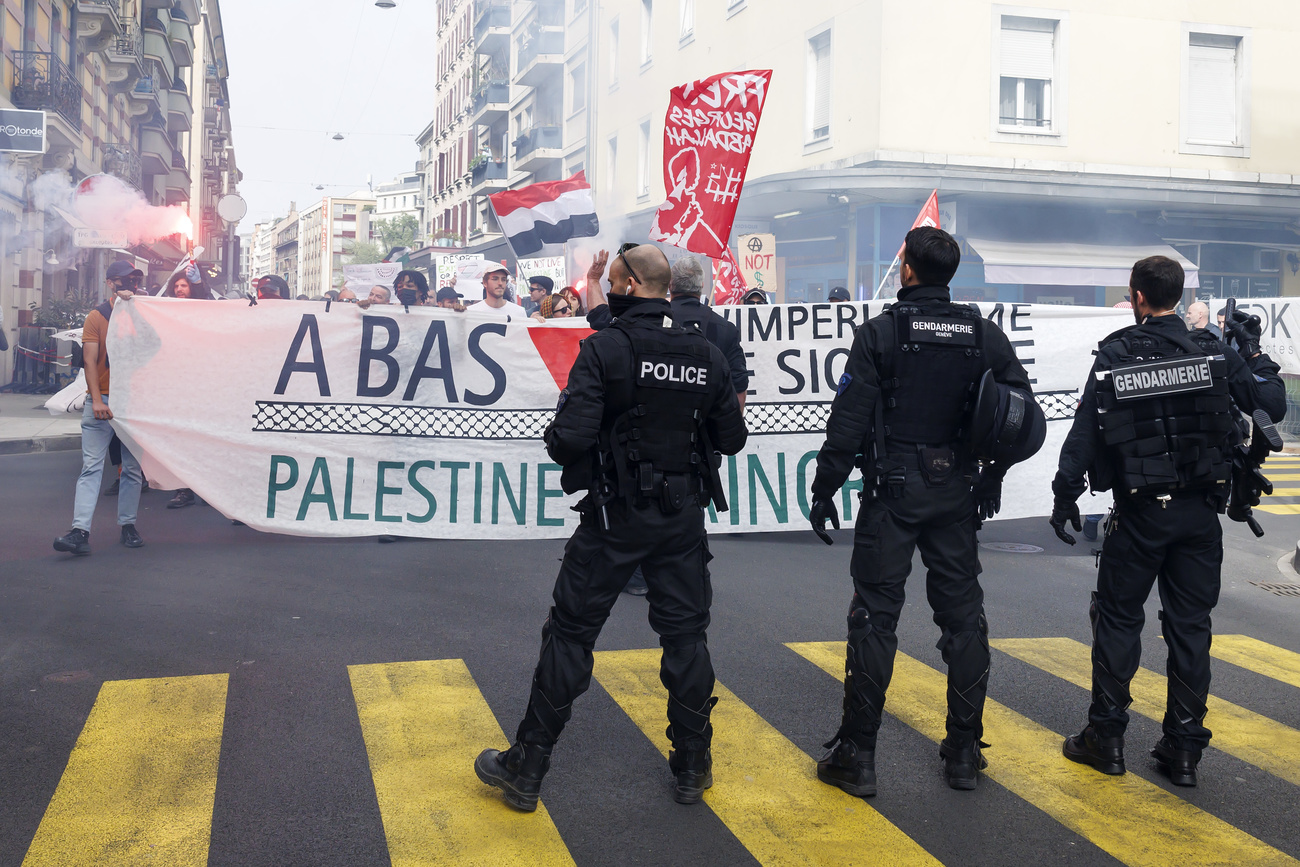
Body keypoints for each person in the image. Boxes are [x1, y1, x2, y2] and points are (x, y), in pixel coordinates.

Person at [475, 244, 748, 811]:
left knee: (571, 634)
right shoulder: (706, 353)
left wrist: (572, 442)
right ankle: (693, 765)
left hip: (613, 518)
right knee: (685, 638)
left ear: (624, 284)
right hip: (681, 519)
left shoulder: (605, 347)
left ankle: (528, 767)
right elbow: (732, 439)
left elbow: (569, 437)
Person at [808, 227, 1035, 795]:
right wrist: (992, 476)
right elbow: (1019, 416)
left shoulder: (881, 334)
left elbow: (849, 421)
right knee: (964, 620)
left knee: (874, 617)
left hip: (893, 492)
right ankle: (963, 752)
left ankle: (857, 757)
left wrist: (825, 488)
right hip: (957, 488)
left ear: (906, 268)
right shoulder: (984, 336)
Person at [1050, 256, 1286, 788]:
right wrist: (1250, 348)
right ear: (1177, 296)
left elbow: (1086, 432)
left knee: (1116, 620)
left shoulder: (1115, 354)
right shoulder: (1214, 351)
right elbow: (1272, 401)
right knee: (1190, 628)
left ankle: (1106, 739)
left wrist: (1065, 496)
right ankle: (1182, 751)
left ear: (1136, 296)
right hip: (1199, 516)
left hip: (1139, 515)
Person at [53, 261, 148, 556]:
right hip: (104, 398)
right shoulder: (97, 316)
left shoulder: (145, 313)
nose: (130, 284)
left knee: (132, 469)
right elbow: (89, 361)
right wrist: (95, 400)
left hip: (134, 401)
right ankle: (80, 530)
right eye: (124, 280)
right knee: (91, 467)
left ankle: (128, 525)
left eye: (134, 279)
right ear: (110, 283)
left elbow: (158, 349)